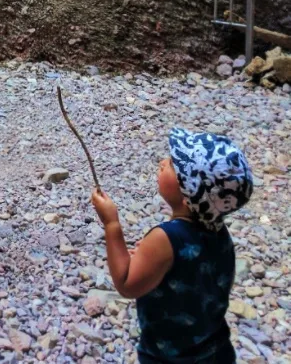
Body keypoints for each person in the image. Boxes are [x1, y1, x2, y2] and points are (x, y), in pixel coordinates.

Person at [91, 128, 253, 364]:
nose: (163, 162)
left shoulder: (165, 238)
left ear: (190, 197)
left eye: (174, 165)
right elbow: (192, 272)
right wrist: (153, 263)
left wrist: (111, 224)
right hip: (216, 351)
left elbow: (127, 284)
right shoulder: (219, 233)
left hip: (168, 357)